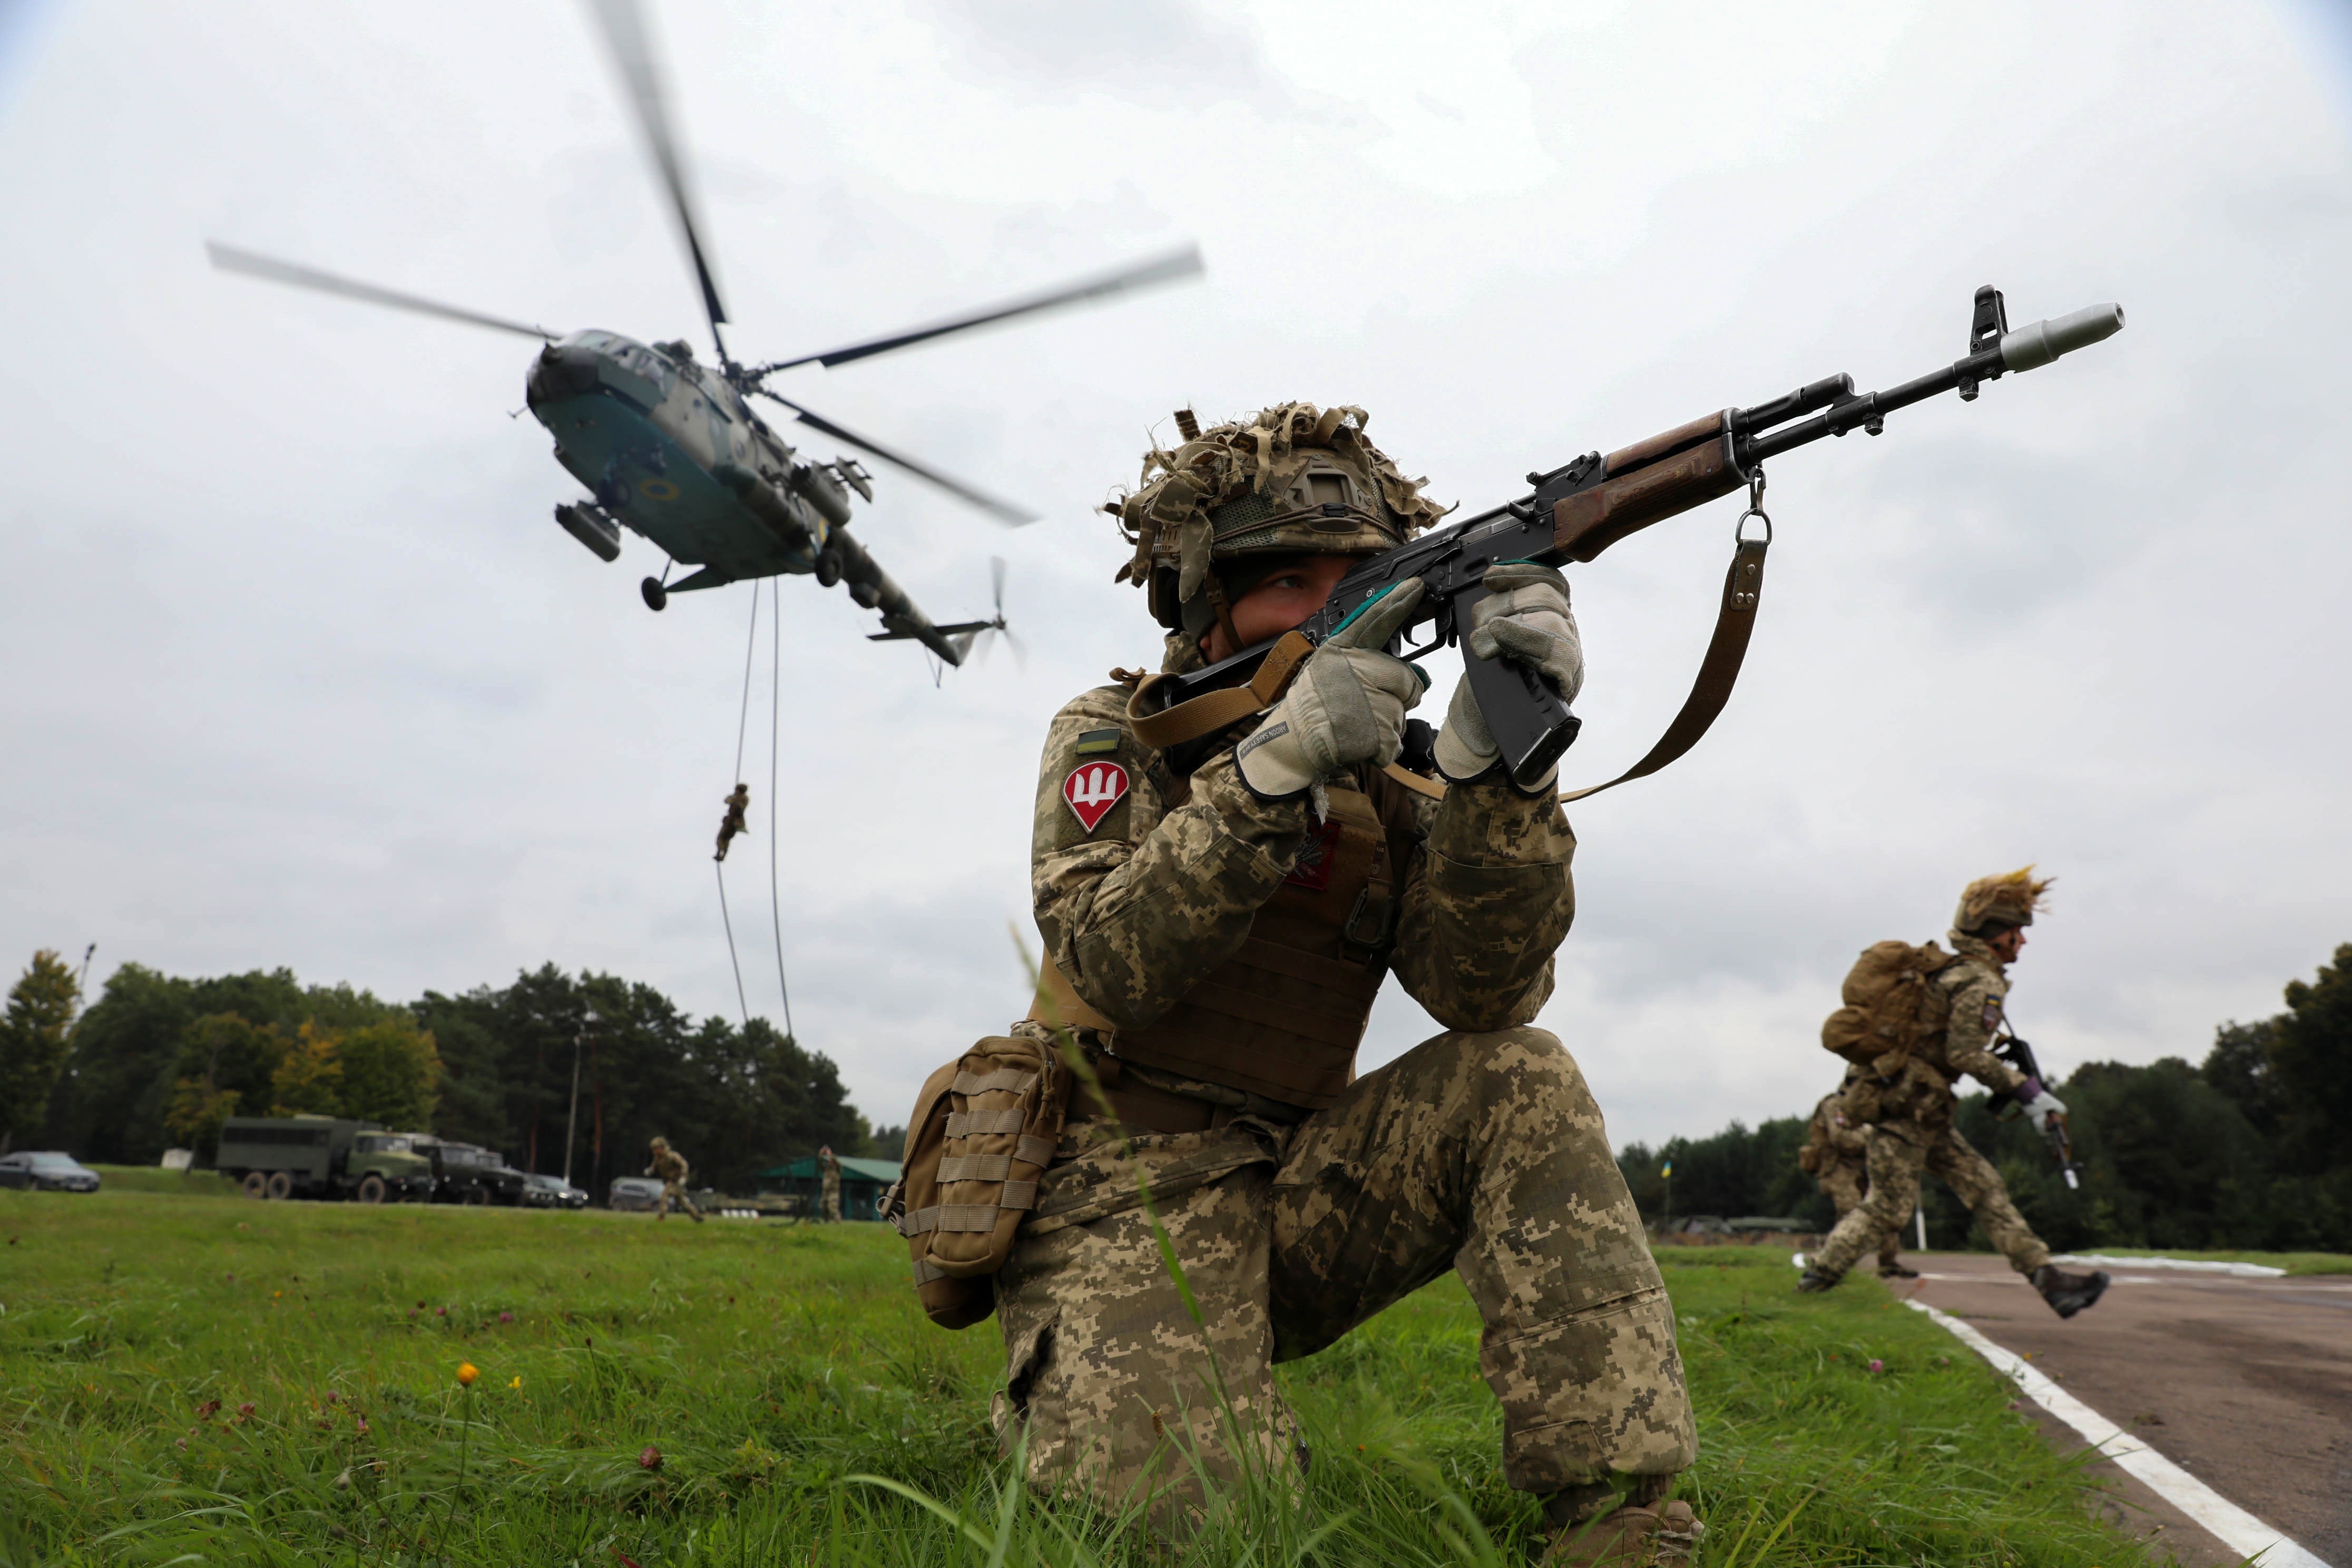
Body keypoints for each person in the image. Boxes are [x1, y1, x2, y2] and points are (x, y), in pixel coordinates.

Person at [993, 404, 1698, 1562]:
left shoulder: (1395, 770)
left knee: (1519, 1074)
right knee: (1201, 1532)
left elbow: (1485, 995)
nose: (1334, 613)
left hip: (1304, 1190)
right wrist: (1268, 775)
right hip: (1121, 1194)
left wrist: (1492, 775)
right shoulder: (1120, 733)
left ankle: (1618, 1519)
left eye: (1363, 582)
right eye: (1290, 586)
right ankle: (1072, 1382)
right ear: (1205, 599)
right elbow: (1105, 958)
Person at [1798, 869, 2106, 1318]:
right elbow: (1964, 1054)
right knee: (1886, 1208)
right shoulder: (1979, 982)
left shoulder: (1954, 973)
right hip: (1909, 1110)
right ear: (1992, 933)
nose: (2022, 941)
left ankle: (2049, 1280)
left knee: (1985, 1188)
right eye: (2015, 931)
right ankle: (1813, 1283)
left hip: (1923, 1110)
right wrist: (2027, 1091)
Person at [1798, 1074, 1911, 1278]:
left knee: (1887, 1207)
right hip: (1838, 1168)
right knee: (1850, 1211)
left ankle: (1888, 1261)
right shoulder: (1835, 1105)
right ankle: (1830, 1263)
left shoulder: (1869, 1107)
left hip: (1864, 1166)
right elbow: (1843, 1139)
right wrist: (1874, 1137)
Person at [646, 1135, 704, 1223]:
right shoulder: (658, 1158)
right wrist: (650, 1170)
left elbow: (684, 1165)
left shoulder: (672, 1156)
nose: (654, 1151)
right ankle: (697, 1217)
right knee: (683, 1203)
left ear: (662, 1148)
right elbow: (654, 1166)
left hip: (676, 1182)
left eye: (656, 1149)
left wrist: (684, 1177)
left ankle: (661, 1217)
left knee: (664, 1197)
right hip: (670, 1182)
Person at [714, 783, 750, 863]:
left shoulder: (741, 798)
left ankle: (721, 853)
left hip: (732, 822)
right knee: (726, 839)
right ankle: (721, 854)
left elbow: (734, 804)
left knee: (722, 838)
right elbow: (727, 801)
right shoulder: (743, 798)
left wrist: (734, 799)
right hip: (735, 822)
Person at [818, 1144, 842, 1223]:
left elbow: (838, 1163)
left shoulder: (837, 1171)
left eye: (832, 1161)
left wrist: (830, 1155)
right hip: (826, 1192)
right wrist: (821, 1154)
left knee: (833, 1207)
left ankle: (838, 1222)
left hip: (834, 1192)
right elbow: (820, 1162)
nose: (830, 1162)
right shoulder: (826, 1169)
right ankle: (826, 1222)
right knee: (824, 1207)